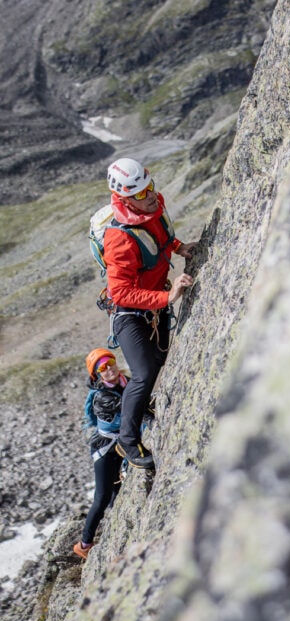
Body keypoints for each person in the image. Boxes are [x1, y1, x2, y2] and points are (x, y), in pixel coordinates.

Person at [103, 158, 197, 469]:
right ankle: (127, 442)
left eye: (150, 186)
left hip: (152, 305)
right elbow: (121, 293)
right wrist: (166, 297)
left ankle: (141, 406)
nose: (152, 195)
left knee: (158, 359)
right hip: (128, 313)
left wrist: (179, 246)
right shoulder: (118, 239)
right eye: (142, 193)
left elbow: (160, 240)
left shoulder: (151, 208)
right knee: (143, 373)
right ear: (125, 198)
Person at [74, 348, 129, 560]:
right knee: (102, 496)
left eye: (110, 363)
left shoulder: (125, 382)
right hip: (105, 449)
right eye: (102, 368)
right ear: (97, 375)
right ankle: (84, 544)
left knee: (118, 491)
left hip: (118, 444)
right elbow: (128, 407)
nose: (109, 370)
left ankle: (119, 532)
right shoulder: (101, 397)